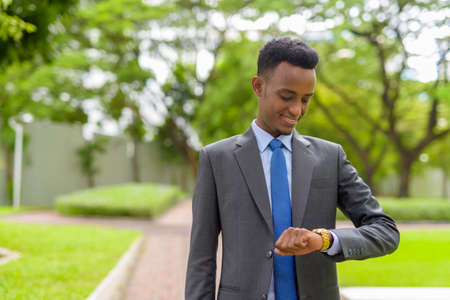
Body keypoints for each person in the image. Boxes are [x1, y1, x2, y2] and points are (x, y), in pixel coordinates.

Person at [185, 37, 400, 300]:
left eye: (306, 99)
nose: (296, 110)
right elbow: (201, 259)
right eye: (286, 97)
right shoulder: (217, 159)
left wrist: (324, 240)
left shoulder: (330, 157)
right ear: (258, 86)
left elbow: (386, 231)